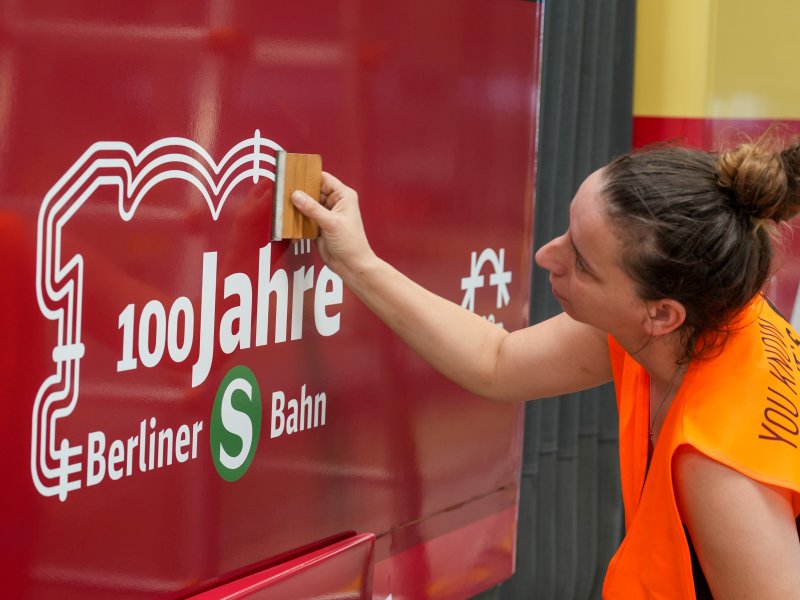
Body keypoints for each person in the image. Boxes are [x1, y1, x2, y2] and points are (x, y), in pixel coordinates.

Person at [289, 136, 800, 599]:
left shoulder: (720, 474)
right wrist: (358, 263)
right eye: (568, 232)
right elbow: (497, 361)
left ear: (661, 314)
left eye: (581, 263)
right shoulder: (692, 321)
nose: (545, 256)